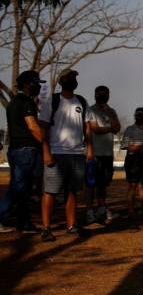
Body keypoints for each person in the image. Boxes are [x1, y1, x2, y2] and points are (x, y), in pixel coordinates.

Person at [39, 69, 93, 242]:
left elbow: (87, 129)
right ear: (62, 81)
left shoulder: (82, 102)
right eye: (69, 78)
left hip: (77, 154)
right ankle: (46, 229)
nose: (73, 80)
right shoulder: (52, 101)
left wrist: (89, 149)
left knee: (72, 191)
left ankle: (72, 225)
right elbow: (43, 128)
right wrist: (46, 152)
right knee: (50, 191)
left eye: (75, 78)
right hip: (56, 153)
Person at [0, 71, 46, 233]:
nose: (39, 86)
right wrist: (45, 143)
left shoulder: (14, 102)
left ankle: (23, 222)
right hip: (25, 150)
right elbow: (33, 127)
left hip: (16, 149)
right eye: (36, 83)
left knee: (22, 188)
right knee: (18, 188)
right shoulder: (26, 103)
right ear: (27, 84)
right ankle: (4, 217)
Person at [86, 86, 121, 224]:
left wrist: (110, 118)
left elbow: (117, 128)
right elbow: (94, 129)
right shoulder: (91, 110)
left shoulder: (111, 111)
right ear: (95, 95)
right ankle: (89, 211)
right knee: (90, 184)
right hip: (94, 153)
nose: (103, 95)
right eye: (100, 93)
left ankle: (101, 208)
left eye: (105, 93)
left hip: (107, 153)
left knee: (103, 183)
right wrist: (109, 128)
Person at [121, 107, 143, 219]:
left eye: (142, 115)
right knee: (132, 185)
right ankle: (130, 210)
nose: (140, 117)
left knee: (142, 186)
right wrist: (141, 146)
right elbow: (125, 146)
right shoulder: (130, 129)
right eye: (138, 114)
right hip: (132, 160)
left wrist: (138, 147)